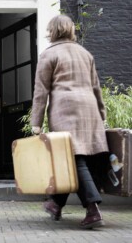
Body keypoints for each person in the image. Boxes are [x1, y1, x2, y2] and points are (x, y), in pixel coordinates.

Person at [30, 15, 109, 229]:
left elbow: (41, 91)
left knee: (74, 158)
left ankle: (92, 209)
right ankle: (56, 204)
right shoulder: (85, 53)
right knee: (75, 157)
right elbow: (96, 88)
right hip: (89, 111)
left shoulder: (48, 55)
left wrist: (36, 122)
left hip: (65, 112)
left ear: (53, 31)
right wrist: (102, 115)